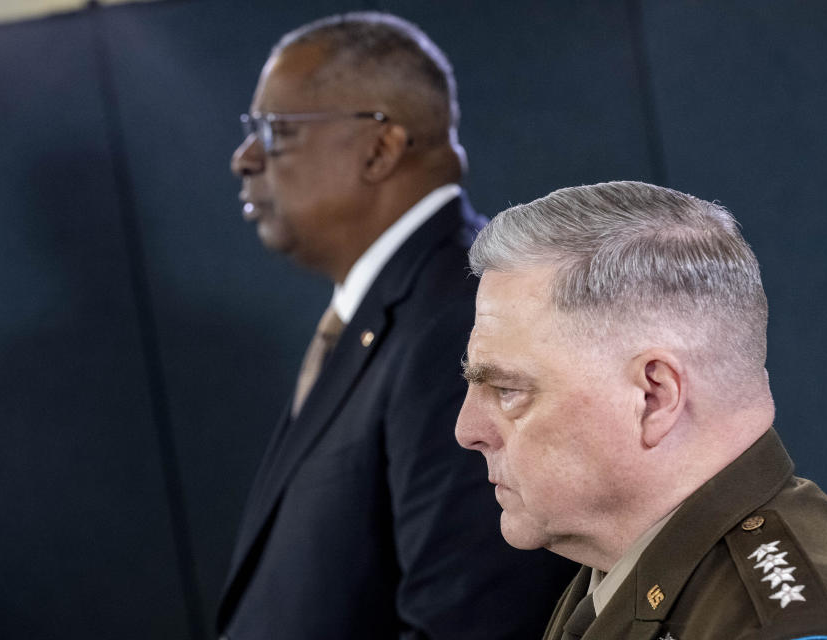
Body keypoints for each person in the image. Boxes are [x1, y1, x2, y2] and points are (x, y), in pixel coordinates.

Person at [220, 12, 576, 640]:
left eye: (274, 130)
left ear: (380, 149)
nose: (244, 158)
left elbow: (472, 618)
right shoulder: (390, 311)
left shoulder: (467, 315)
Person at [455, 181, 827, 639]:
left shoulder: (784, 627)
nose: (467, 430)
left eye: (508, 390)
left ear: (653, 398)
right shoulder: (621, 568)